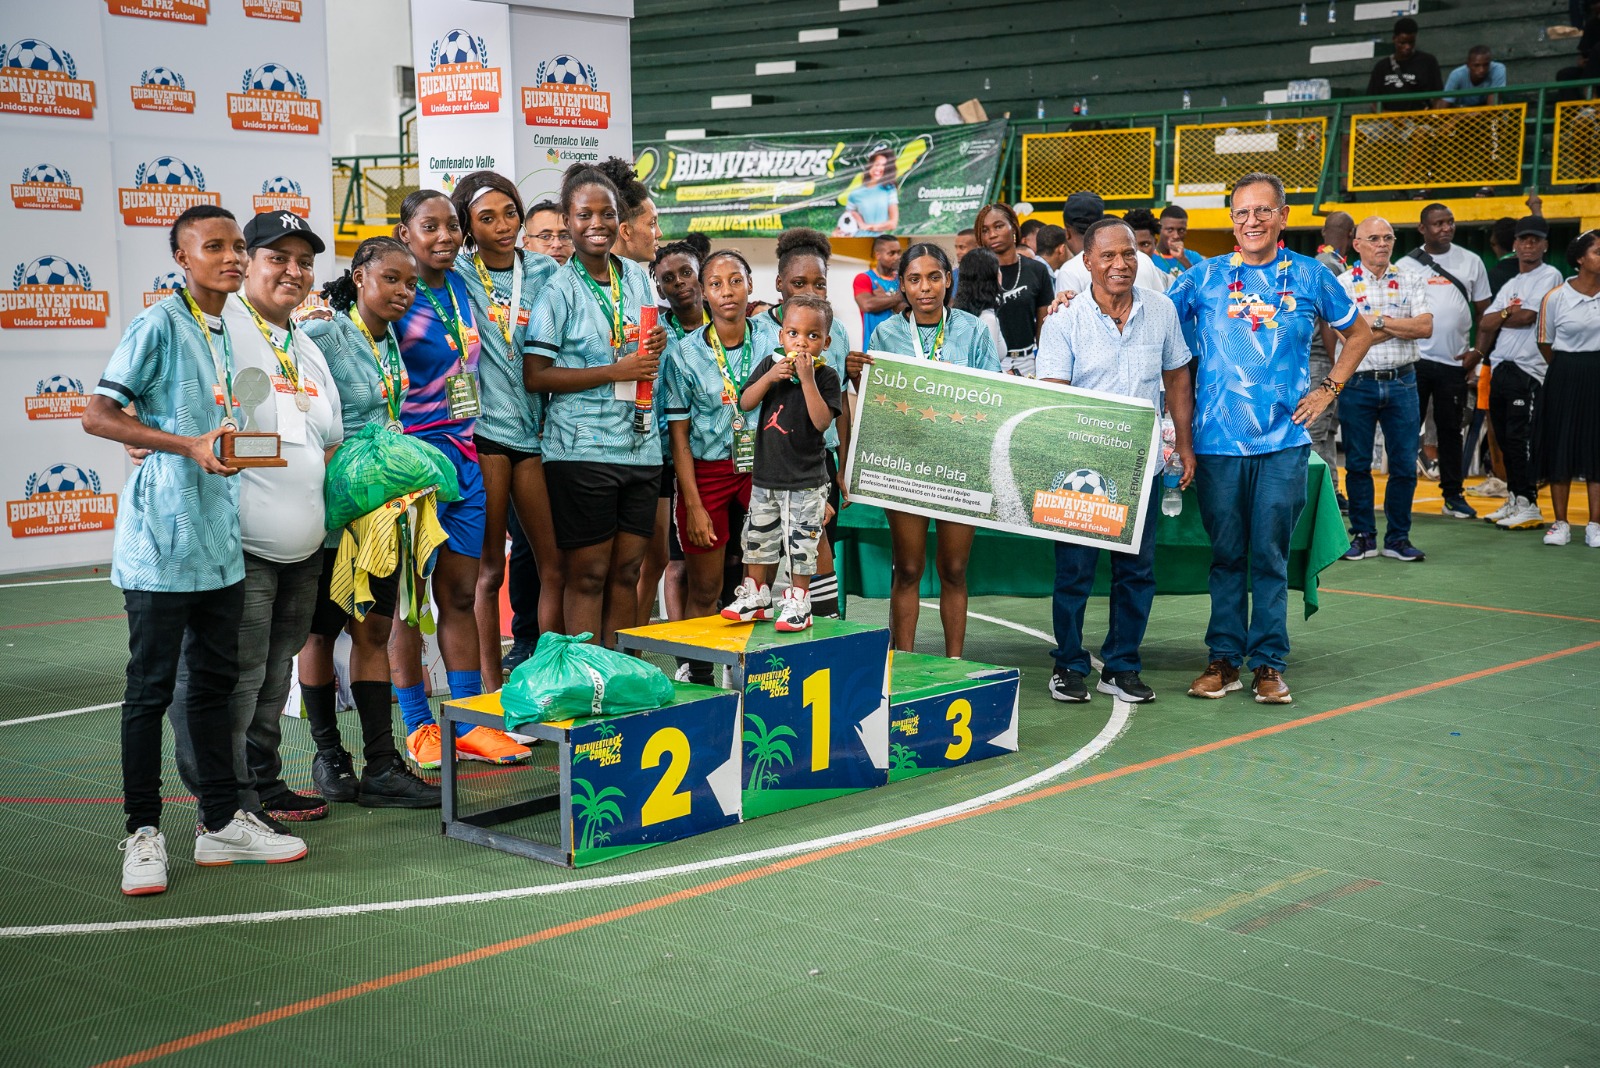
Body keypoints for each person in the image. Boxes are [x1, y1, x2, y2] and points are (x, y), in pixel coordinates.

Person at [84, 206, 305, 894]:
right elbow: (99, 415)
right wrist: (185, 445)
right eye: (215, 247)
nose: (232, 257)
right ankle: (143, 832)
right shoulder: (158, 324)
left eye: (238, 246)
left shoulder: (229, 328)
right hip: (159, 543)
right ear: (183, 258)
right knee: (149, 693)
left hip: (220, 544)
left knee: (212, 690)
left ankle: (219, 823)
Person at [154, 212, 344, 837]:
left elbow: (329, 441)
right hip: (236, 546)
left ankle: (260, 784)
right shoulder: (216, 328)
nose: (294, 271)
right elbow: (151, 407)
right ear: (246, 262)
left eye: (304, 261)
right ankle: (224, 803)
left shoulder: (307, 346)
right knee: (228, 677)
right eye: (277, 257)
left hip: (304, 548)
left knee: (274, 671)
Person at [1165, 172, 1377, 704]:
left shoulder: (1311, 275)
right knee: (1226, 556)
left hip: (1284, 443)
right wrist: (1073, 300)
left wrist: (1328, 389)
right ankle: (1223, 660)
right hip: (1216, 444)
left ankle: (1268, 663)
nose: (1252, 221)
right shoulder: (1203, 277)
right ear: (1232, 220)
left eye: (1263, 210)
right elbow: (1153, 324)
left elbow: (1359, 334)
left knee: (1269, 556)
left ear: (1283, 216)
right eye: (1242, 212)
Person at [297, 238, 441, 808]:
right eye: (391, 279)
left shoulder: (390, 340)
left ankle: (382, 763)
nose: (403, 292)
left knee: (374, 631)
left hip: (380, 513)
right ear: (359, 277)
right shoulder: (324, 333)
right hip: (329, 511)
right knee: (320, 631)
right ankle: (329, 754)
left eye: (411, 284)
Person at [391, 189, 530, 769]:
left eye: (452, 226)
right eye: (431, 227)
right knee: (407, 603)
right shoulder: (395, 293)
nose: (445, 236)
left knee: (457, 595)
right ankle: (419, 726)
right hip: (410, 465)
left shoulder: (463, 285)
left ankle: (470, 724)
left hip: (465, 459)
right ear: (406, 234)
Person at [1038, 218, 1195, 703]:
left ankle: (1122, 666)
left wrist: (1184, 444)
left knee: (1136, 572)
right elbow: (1054, 396)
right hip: (1079, 473)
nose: (1120, 264)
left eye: (1128, 254)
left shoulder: (1162, 310)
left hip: (1141, 468)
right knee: (1074, 573)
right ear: (1087, 262)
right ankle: (1068, 665)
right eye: (1107, 255)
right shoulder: (1064, 319)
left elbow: (1177, 378)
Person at [524, 164, 667, 649]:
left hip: (641, 447)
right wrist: (614, 370)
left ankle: (616, 672)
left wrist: (655, 343)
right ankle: (587, 677)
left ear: (619, 219)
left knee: (627, 571)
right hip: (581, 452)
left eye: (606, 214)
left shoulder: (639, 279)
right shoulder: (556, 291)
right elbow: (536, 375)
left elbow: (640, 342)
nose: (597, 224)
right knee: (588, 574)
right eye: (584, 215)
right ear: (567, 220)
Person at [857, 243, 1001, 656]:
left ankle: (954, 661)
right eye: (915, 279)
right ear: (901, 285)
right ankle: (903, 660)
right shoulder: (885, 334)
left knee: (954, 568)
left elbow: (994, 394)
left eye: (934, 277)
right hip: (906, 465)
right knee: (908, 567)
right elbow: (877, 401)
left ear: (948, 280)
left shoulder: (972, 330)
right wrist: (856, 377)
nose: (925, 288)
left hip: (960, 464)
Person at [451, 171, 563, 694]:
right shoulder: (456, 271)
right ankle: (491, 692)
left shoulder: (542, 269)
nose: (502, 225)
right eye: (487, 218)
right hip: (485, 432)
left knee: (552, 565)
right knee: (490, 570)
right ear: (467, 226)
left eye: (510, 213)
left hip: (537, 434)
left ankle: (549, 678)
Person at [667, 250, 776, 674]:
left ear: (750, 285)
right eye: (716, 283)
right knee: (706, 587)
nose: (727, 291)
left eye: (735, 281)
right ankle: (698, 674)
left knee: (757, 586)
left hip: (762, 469)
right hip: (708, 473)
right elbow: (679, 435)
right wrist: (693, 504)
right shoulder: (684, 353)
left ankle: (751, 671)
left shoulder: (773, 339)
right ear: (703, 292)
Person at [722, 294, 843, 631]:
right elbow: (746, 402)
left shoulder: (827, 377)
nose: (801, 342)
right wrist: (769, 377)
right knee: (757, 539)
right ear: (781, 336)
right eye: (793, 333)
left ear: (825, 342)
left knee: (802, 544)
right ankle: (756, 595)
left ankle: (799, 601)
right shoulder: (769, 366)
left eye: (812, 336)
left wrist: (807, 379)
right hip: (766, 477)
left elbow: (822, 421)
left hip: (806, 481)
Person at [761, 228, 857, 619]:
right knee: (764, 548)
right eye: (799, 283)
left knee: (816, 546)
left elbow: (842, 404)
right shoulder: (759, 329)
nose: (811, 292)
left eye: (820, 284)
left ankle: (825, 625)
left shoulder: (836, 332)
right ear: (779, 283)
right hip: (772, 461)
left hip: (819, 462)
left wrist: (844, 466)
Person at [597, 157, 674, 629]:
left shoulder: (641, 280)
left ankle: (630, 650)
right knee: (598, 570)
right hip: (596, 445)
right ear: (625, 230)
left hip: (647, 438)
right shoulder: (582, 284)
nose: (658, 233)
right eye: (652, 223)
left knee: (642, 561)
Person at [1335, 217, 1434, 563]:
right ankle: (1363, 536)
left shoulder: (1411, 278)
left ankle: (1398, 538)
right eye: (1374, 238)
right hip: (1358, 383)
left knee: (1404, 464)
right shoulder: (1342, 284)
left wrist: (1375, 322)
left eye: (1388, 238)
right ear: (1357, 244)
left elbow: (1424, 327)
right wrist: (1398, 325)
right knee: (1358, 463)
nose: (1382, 244)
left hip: (1403, 381)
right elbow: (1346, 335)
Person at [1473, 216, 1565, 530]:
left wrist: (1505, 315)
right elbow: (1485, 323)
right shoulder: (1512, 283)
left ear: (1545, 245)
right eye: (1523, 239)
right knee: (1504, 439)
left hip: (1528, 369)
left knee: (1519, 438)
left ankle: (1529, 504)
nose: (1528, 245)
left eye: (1535, 240)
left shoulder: (1550, 275)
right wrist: (1506, 312)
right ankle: (1514, 498)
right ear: (1514, 244)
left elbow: (1527, 317)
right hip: (1501, 366)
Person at [1401, 204, 1492, 519]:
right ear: (1422, 228)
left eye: (1450, 222)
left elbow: (1485, 313)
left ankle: (1453, 496)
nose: (1446, 228)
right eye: (1438, 223)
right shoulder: (1405, 266)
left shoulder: (1471, 261)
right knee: (1405, 430)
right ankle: (1401, 496)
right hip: (1414, 361)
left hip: (1455, 363)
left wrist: (1478, 352)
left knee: (1451, 431)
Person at [1536, 229, 1600, 547]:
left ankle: (1595, 525)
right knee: (1560, 446)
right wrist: (1569, 367)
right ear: (1580, 258)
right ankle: (1560, 523)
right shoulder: (1556, 297)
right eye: (1598, 252)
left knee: (1597, 448)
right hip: (1563, 374)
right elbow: (1544, 342)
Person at [1308, 211, 1356, 510]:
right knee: (1315, 430)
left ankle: (1331, 492)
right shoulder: (1329, 264)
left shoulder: (1327, 262)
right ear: (1352, 236)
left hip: (1321, 357)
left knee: (1325, 431)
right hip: (1322, 357)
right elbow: (1330, 320)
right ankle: (1316, 497)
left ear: (1324, 232)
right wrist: (1338, 365)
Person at [976, 202, 1053, 375]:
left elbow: (1044, 327)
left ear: (1013, 227)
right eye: (985, 230)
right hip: (988, 363)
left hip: (1027, 362)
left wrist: (1045, 365)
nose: (992, 235)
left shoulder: (1037, 270)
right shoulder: (976, 273)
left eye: (998, 226)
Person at [1053, 192, 1169, 297]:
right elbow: (1161, 302)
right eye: (1108, 256)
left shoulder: (1070, 271)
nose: (1120, 265)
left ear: (1067, 233)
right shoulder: (1142, 259)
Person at [1367, 17, 1444, 106]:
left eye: (1411, 42)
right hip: (1389, 114)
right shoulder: (1381, 67)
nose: (1407, 47)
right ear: (1394, 39)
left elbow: (1437, 96)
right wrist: (1389, 114)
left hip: (1419, 114)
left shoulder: (1428, 61)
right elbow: (1373, 102)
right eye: (1402, 43)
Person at [953, 246, 1006, 357]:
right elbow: (986, 365)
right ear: (993, 277)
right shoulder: (987, 319)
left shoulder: (956, 314)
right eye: (998, 269)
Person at [854, 234, 903, 347]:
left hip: (900, 347)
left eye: (899, 252)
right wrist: (899, 297)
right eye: (891, 253)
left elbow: (907, 310)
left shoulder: (902, 280)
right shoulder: (864, 278)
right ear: (878, 255)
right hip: (874, 348)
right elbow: (867, 305)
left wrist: (884, 298)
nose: (897, 257)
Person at [843, 146, 900, 234]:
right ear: (870, 165)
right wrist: (838, 231)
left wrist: (868, 226)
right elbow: (845, 221)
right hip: (857, 239)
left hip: (878, 240)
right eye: (877, 164)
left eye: (884, 165)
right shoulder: (855, 193)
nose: (879, 168)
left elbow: (893, 224)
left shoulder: (889, 190)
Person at [1151, 205, 1207, 282]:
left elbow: (1203, 284)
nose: (1176, 236)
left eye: (1181, 230)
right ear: (1159, 229)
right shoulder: (1149, 257)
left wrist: (1183, 259)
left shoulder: (1193, 257)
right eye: (1170, 230)